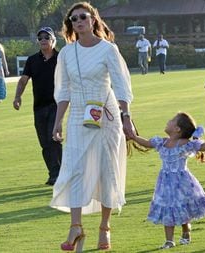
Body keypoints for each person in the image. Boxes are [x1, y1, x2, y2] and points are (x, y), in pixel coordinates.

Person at [49, 2, 135, 252]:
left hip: (106, 115)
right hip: (78, 114)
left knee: (107, 170)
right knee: (75, 169)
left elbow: (121, 86)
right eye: (73, 19)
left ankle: (104, 227)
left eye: (83, 17)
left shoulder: (109, 50)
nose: (78, 22)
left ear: (93, 20)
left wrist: (127, 116)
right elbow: (63, 90)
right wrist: (58, 122)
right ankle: (75, 227)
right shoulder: (66, 53)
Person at [131, 112, 205, 249]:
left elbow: (201, 146)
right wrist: (134, 137)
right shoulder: (162, 142)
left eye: (172, 120)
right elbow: (147, 143)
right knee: (167, 207)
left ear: (177, 129)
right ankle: (169, 240)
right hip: (165, 183)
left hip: (182, 182)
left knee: (182, 206)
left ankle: (186, 229)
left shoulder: (185, 144)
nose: (168, 121)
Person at [13, 27, 62, 186]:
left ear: (53, 40)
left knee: (53, 138)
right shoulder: (32, 60)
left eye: (46, 37)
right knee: (44, 143)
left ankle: (58, 173)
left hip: (57, 105)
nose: (43, 40)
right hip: (39, 107)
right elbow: (23, 80)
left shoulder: (61, 58)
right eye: (40, 37)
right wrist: (17, 97)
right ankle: (53, 172)